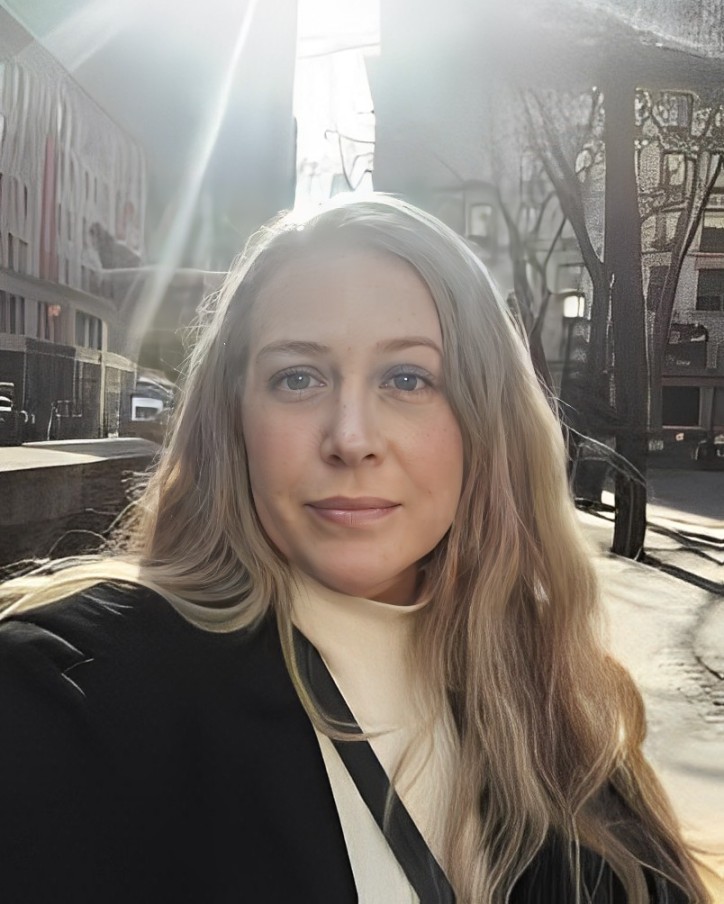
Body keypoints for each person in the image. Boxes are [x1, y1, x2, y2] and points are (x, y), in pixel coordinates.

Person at [0, 195, 709, 904]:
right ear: (233, 418)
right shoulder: (68, 694)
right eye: (297, 378)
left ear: (487, 423)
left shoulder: (550, 694)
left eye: (407, 379)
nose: (350, 438)